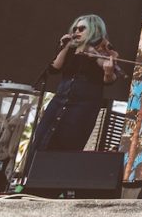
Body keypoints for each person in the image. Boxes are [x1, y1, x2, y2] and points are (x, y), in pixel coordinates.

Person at [32, 14, 118, 152]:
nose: (76, 31)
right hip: (60, 100)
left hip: (83, 105)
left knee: (66, 145)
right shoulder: (70, 50)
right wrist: (65, 47)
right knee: (42, 138)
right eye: (75, 29)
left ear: (94, 30)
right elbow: (54, 69)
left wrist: (108, 71)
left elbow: (109, 80)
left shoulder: (101, 51)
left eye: (82, 28)